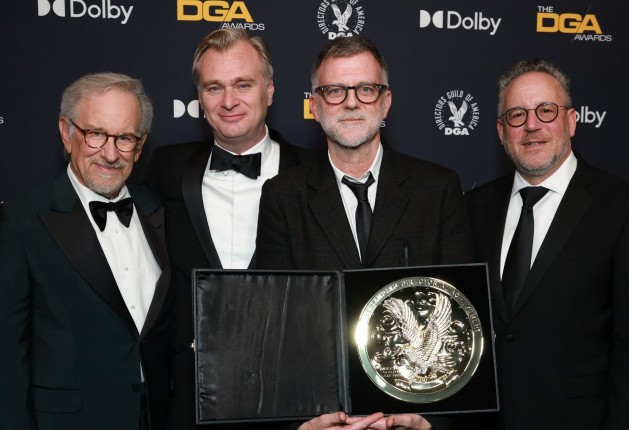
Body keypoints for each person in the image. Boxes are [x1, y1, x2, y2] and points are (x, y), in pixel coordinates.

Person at [255, 36, 474, 429]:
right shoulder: (283, 196)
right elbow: (275, 326)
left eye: (366, 89)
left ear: (385, 102)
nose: (351, 102)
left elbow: (461, 316)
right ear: (315, 105)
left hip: (414, 410)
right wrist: (300, 425)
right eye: (335, 91)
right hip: (321, 414)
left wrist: (430, 421)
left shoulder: (437, 188)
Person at [145, 28, 311, 429]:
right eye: (214, 87)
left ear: (269, 91)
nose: (229, 101)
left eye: (243, 84)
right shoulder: (166, 169)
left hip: (289, 398)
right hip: (189, 397)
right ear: (200, 98)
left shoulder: (313, 174)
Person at [0, 72, 173, 430]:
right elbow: (7, 356)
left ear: (140, 145)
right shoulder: (21, 223)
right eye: (96, 133)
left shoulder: (159, 210)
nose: (110, 153)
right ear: (66, 133)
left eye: (124, 138)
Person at [466, 59, 629, 430]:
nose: (532, 125)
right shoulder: (474, 207)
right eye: (517, 115)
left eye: (546, 111)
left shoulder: (619, 206)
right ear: (501, 131)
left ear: (571, 121)